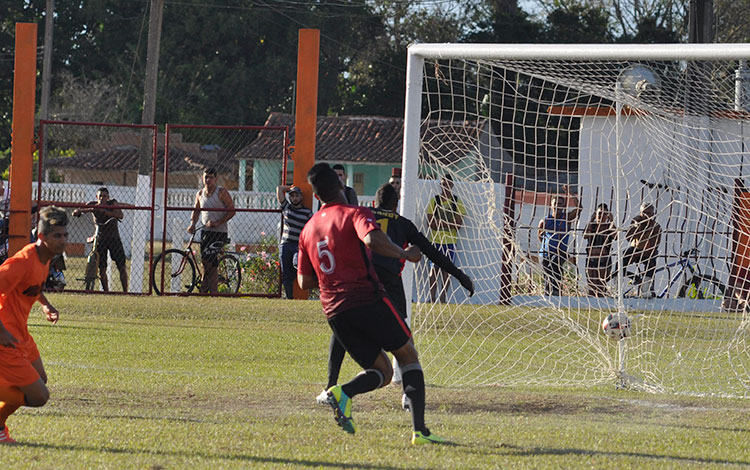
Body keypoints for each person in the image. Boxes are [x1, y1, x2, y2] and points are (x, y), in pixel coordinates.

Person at [297, 163, 445, 445]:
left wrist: (334, 271)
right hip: (366, 298)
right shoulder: (354, 213)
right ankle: (421, 432)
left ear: (316, 197)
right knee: (407, 355)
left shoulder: (308, 230)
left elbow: (304, 283)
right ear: (342, 186)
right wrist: (405, 253)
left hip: (335, 312)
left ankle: (342, 393)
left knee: (383, 371)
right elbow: (372, 239)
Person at [318, 182, 474, 411]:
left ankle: (330, 387)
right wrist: (460, 275)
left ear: (375, 202)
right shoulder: (403, 224)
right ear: (396, 203)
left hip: (358, 280)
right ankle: (408, 394)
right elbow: (431, 251)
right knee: (402, 338)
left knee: (341, 329)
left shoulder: (362, 215)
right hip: (388, 283)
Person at [0, 206, 67, 444]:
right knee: (39, 396)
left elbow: (32, 288)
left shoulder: (46, 258)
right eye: (56, 236)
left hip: (21, 335)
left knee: (40, 379)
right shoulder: (22, 262)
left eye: (64, 235)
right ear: (41, 237)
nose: (62, 241)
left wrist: (45, 304)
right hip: (6, 338)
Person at [187, 167, 236, 294]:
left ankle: (206, 289)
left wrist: (217, 223)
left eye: (210, 177)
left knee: (209, 262)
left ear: (216, 179)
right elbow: (196, 210)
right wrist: (192, 224)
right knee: (206, 262)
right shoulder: (200, 194)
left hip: (219, 233)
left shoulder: (221, 192)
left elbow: (232, 211)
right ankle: (210, 291)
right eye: (205, 177)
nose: (208, 180)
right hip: (206, 232)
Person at [73, 187, 128, 292]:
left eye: (105, 196)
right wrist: (78, 212)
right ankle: (106, 291)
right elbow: (82, 209)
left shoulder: (112, 203)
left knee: (121, 266)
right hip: (100, 238)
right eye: (100, 196)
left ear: (108, 197)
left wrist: (107, 212)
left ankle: (125, 291)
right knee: (102, 267)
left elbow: (120, 215)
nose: (102, 198)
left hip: (114, 238)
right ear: (96, 197)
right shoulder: (93, 205)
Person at [426, 174, 467, 303]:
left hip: (450, 242)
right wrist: (449, 223)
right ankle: (431, 298)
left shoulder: (456, 202)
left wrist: (441, 222)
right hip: (435, 241)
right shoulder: (435, 201)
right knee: (434, 270)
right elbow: (431, 224)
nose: (446, 186)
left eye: (448, 184)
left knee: (446, 270)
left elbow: (458, 225)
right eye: (443, 184)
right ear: (440, 185)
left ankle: (442, 298)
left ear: (452, 185)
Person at [537, 185, 582, 296]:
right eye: (555, 204)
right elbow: (539, 235)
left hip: (560, 252)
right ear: (551, 206)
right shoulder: (545, 220)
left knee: (556, 264)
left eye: (560, 204)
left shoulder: (566, 218)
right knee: (547, 270)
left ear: (563, 206)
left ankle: (556, 291)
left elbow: (579, 208)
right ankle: (548, 292)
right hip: (546, 252)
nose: (558, 206)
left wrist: (570, 193)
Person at [614, 201, 662, 298]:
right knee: (622, 258)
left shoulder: (656, 227)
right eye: (643, 212)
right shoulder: (636, 222)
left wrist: (643, 233)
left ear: (652, 214)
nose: (645, 215)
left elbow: (655, 244)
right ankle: (618, 287)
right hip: (635, 250)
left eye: (648, 213)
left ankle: (645, 289)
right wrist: (636, 227)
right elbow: (629, 237)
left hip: (648, 252)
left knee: (651, 263)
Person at [276, 184, 313, 299]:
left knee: (297, 263)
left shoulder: (307, 212)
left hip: (299, 246)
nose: (294, 198)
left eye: (297, 196)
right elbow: (279, 189)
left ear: (301, 197)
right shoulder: (287, 207)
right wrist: (289, 188)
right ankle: (289, 298)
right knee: (286, 275)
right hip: (286, 244)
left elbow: (312, 228)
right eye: (292, 196)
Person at [583, 203, 616, 297]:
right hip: (591, 258)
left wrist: (612, 221)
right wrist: (591, 220)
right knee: (591, 285)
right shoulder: (592, 226)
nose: (601, 216)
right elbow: (585, 235)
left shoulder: (608, 227)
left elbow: (616, 236)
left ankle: (601, 304)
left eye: (604, 214)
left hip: (604, 259)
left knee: (601, 285)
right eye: (599, 213)